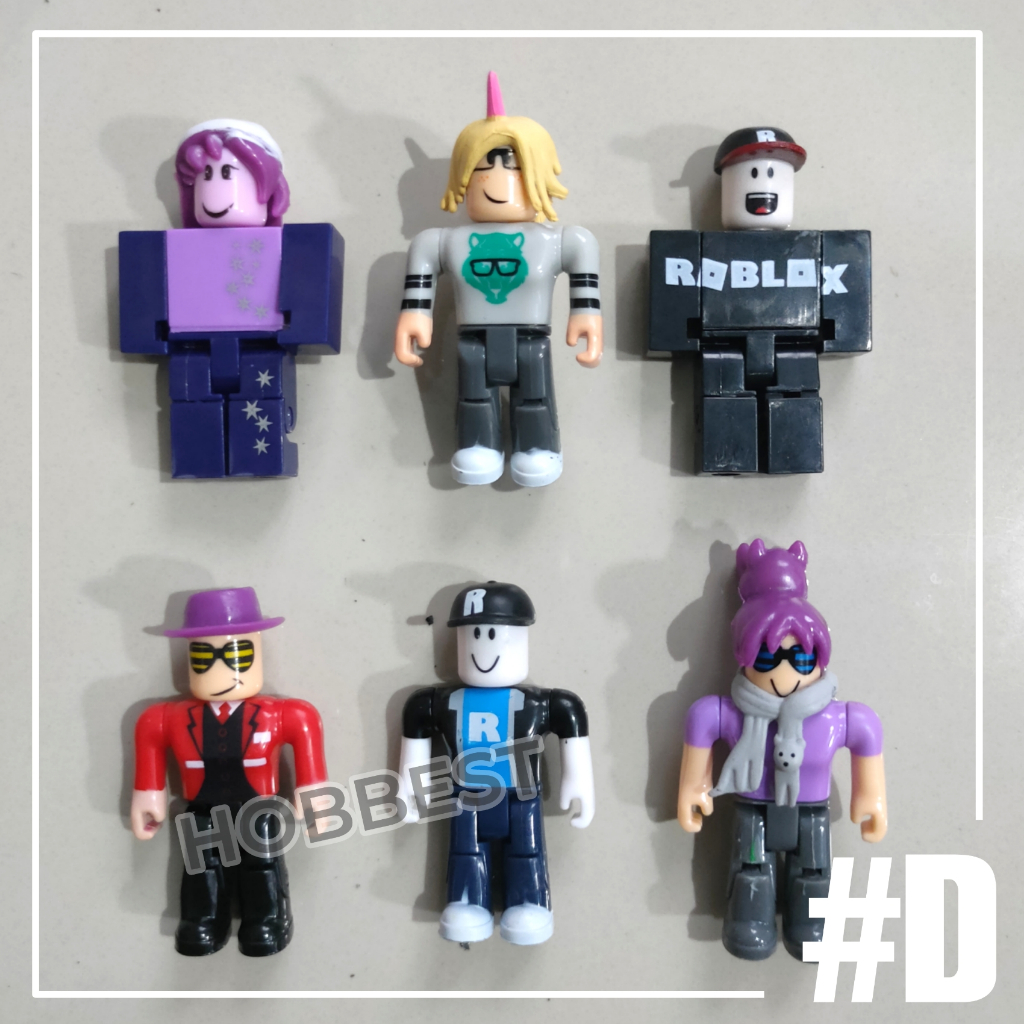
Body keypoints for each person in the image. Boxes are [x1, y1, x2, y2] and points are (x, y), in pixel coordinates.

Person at [677, 540, 887, 960]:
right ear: (744, 657)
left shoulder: (836, 717)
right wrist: (693, 788)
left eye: (802, 661)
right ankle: (749, 919)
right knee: (750, 869)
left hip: (812, 814)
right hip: (752, 811)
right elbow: (701, 722)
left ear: (820, 660)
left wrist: (871, 797)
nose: (785, 671)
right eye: (768, 658)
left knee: (814, 871)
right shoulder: (733, 712)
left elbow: (867, 735)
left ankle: (813, 923)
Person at [394, 73, 603, 488]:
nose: (496, 178)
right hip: (473, 337)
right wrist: (414, 314)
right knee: (473, 391)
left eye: (513, 166)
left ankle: (538, 446)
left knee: (535, 392)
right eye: (482, 167)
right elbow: (422, 262)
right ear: (463, 178)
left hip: (532, 336)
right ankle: (478, 443)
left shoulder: (557, 239)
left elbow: (583, 256)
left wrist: (586, 314)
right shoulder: (444, 240)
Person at [131, 587, 328, 956]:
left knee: (262, 863)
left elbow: (307, 740)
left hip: (257, 808)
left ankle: (268, 918)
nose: (221, 670)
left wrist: (313, 794)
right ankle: (204, 918)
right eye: (204, 657)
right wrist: (149, 793)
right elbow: (149, 740)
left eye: (237, 655)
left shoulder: (283, 714)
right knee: (200, 867)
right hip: (202, 807)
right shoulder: (166, 718)